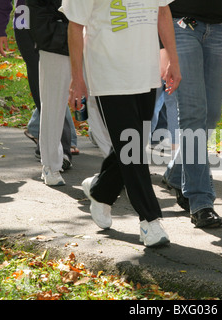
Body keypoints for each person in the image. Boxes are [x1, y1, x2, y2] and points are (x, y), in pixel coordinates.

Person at [62, 0, 181, 247]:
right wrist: (77, 78)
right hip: (109, 75)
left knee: (132, 144)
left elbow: (163, 11)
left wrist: (173, 59)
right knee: (133, 149)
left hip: (146, 74)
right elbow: (75, 26)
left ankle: (101, 189)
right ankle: (150, 221)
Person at [162, 0, 222, 228]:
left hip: (218, 29)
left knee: (211, 115)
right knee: (193, 114)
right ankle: (200, 200)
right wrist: (162, 48)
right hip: (180, 26)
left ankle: (175, 174)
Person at [0, 0, 74, 166]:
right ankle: (59, 149)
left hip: (60, 20)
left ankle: (46, 137)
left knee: (57, 84)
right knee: (43, 85)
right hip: (26, 24)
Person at [26, 0, 74, 186]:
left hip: (92, 44)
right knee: (53, 107)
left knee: (100, 108)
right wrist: (72, 33)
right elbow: (39, 19)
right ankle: (51, 166)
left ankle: (119, 168)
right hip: (56, 47)